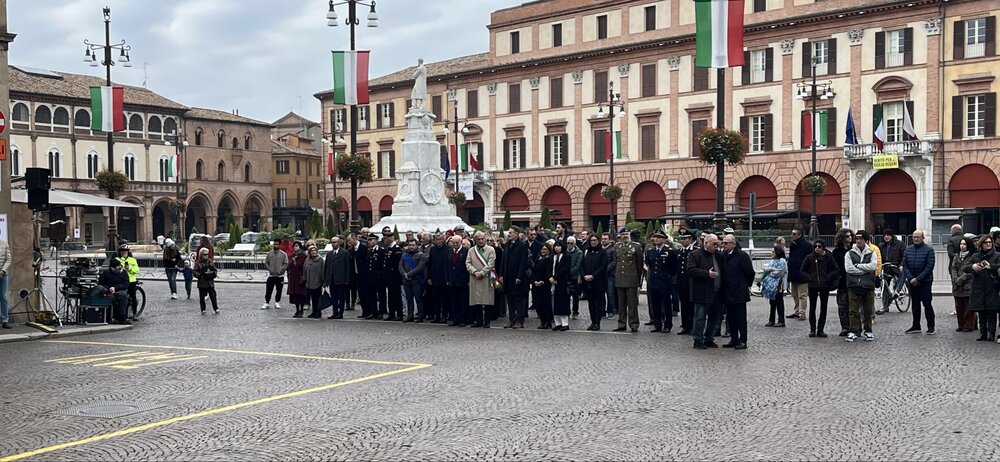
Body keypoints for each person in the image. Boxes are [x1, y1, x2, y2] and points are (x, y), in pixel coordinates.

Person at [687, 234, 723, 349]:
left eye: (717, 244)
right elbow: (690, 270)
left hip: (716, 292)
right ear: (706, 243)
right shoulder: (695, 254)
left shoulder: (718, 255)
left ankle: (709, 338)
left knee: (714, 317)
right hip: (702, 292)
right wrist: (706, 273)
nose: (716, 246)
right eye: (714, 244)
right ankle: (698, 339)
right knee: (700, 317)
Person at [800, 239, 841, 338]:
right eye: (815, 246)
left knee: (823, 308)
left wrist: (828, 277)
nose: (817, 248)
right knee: (812, 307)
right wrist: (809, 278)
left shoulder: (828, 257)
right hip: (813, 285)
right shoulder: (809, 258)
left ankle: (820, 329)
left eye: (819, 246)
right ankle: (812, 329)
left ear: (823, 248)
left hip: (824, 286)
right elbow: (802, 270)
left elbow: (836, 269)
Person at [964, 234, 1000, 342]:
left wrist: (990, 266)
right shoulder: (975, 256)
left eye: (989, 242)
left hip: (992, 286)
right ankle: (982, 333)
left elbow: (999, 266)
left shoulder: (997, 255)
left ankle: (991, 333)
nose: (988, 244)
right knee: (981, 311)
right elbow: (965, 268)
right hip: (979, 287)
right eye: (985, 242)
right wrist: (973, 266)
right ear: (981, 244)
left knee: (991, 311)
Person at [721, 234, 754, 349]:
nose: (723, 245)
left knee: (740, 317)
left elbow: (750, 272)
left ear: (733, 244)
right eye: (723, 243)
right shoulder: (723, 255)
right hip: (727, 291)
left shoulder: (742, 255)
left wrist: (745, 285)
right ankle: (733, 338)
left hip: (739, 291)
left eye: (726, 243)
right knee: (730, 317)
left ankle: (743, 340)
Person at [844, 230, 878, 342]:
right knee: (853, 310)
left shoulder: (872, 253)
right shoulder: (849, 253)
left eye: (861, 238)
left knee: (868, 310)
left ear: (866, 240)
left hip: (868, 284)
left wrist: (858, 266)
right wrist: (864, 271)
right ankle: (853, 330)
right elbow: (849, 269)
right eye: (857, 238)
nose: (858, 241)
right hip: (853, 284)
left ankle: (868, 330)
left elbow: (873, 266)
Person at [900, 229, 935, 334]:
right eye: (914, 237)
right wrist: (911, 278)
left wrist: (918, 278)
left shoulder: (929, 250)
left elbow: (929, 267)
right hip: (912, 282)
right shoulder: (908, 250)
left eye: (918, 237)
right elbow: (905, 265)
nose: (915, 239)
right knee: (915, 304)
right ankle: (916, 326)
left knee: (927, 304)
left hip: (925, 282)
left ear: (923, 238)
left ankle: (931, 327)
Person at [612, 227, 644, 333]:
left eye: (626, 234)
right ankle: (621, 323)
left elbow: (639, 265)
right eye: (623, 234)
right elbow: (615, 262)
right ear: (620, 236)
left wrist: (638, 279)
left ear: (629, 235)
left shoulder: (636, 246)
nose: (625, 236)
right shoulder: (617, 246)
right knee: (621, 304)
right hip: (620, 279)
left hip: (631, 279)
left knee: (632, 304)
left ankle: (633, 324)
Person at [499, 226, 531, 329]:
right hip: (507, 277)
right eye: (508, 232)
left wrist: (519, 276)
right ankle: (511, 320)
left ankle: (520, 321)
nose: (508, 234)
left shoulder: (522, 246)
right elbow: (503, 261)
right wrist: (501, 275)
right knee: (510, 300)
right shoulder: (507, 245)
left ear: (516, 234)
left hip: (517, 277)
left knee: (519, 300)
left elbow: (523, 263)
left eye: (510, 233)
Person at [644, 231, 673, 333]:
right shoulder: (650, 251)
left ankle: (668, 324)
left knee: (666, 304)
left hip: (665, 281)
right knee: (655, 304)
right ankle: (657, 324)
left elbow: (673, 267)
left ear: (664, 239)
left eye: (659, 237)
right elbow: (649, 265)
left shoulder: (669, 251)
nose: (656, 239)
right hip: (654, 281)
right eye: (655, 237)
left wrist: (668, 277)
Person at [465, 231, 495, 328]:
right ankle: (478, 320)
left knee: (487, 300)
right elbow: (468, 263)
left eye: (482, 239)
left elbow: (491, 264)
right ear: (475, 240)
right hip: (474, 278)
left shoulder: (491, 249)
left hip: (486, 277)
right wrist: (474, 272)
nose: (481, 241)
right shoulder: (471, 250)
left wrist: (482, 273)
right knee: (476, 300)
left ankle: (487, 321)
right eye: (478, 239)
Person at [582, 234, 609, 331]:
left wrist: (593, 276)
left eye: (595, 240)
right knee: (591, 303)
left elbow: (603, 266)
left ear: (598, 241)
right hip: (587, 281)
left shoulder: (602, 252)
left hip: (598, 281)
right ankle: (593, 321)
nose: (593, 242)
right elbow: (582, 265)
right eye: (591, 240)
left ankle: (597, 322)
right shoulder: (587, 251)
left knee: (598, 303)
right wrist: (584, 275)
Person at [950, 236, 977, 333]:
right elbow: (953, 268)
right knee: (959, 306)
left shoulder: (972, 256)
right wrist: (955, 279)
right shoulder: (957, 256)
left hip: (968, 284)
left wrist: (961, 279)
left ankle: (968, 325)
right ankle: (960, 324)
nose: (962, 246)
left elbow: (971, 271)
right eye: (961, 244)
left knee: (968, 306)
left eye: (964, 244)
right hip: (957, 285)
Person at [400, 238, 428, 323]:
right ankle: (410, 316)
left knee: (418, 299)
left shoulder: (421, 255)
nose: (411, 247)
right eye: (410, 245)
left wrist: (408, 274)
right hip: (406, 280)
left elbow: (419, 267)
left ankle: (420, 316)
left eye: (413, 245)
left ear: (416, 245)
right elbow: (400, 266)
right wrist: (404, 274)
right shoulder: (404, 255)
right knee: (409, 299)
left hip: (417, 280)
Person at [323, 236, 352, 320]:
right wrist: (325, 280)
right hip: (332, 280)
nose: (333, 244)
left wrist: (347, 280)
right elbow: (326, 268)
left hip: (341, 279)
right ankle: (335, 312)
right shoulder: (329, 254)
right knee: (333, 297)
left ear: (339, 243)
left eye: (335, 242)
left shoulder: (345, 253)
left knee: (341, 297)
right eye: (332, 242)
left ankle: (340, 312)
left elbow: (348, 267)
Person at [831, 228, 853, 336]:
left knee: (853, 306)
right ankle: (845, 327)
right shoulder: (836, 252)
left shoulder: (853, 250)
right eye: (847, 236)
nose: (850, 238)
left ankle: (854, 327)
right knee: (842, 306)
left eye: (850, 236)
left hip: (853, 281)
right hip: (842, 282)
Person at [675, 230, 697, 335]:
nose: (682, 241)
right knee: (683, 305)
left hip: (692, 283)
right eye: (681, 239)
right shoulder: (679, 252)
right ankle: (685, 326)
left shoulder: (695, 251)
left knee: (692, 305)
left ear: (690, 239)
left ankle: (692, 326)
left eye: (685, 238)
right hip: (682, 282)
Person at [786, 228, 810, 320]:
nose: (792, 235)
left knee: (802, 295)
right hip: (793, 273)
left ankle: (802, 313)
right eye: (792, 233)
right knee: (795, 294)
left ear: (800, 235)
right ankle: (797, 311)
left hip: (802, 274)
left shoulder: (807, 245)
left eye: (794, 234)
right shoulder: (793, 244)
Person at [425, 233, 449, 324]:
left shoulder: (448, 249)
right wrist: (429, 277)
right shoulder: (433, 249)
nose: (438, 241)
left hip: (444, 278)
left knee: (445, 299)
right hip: (435, 277)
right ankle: (437, 316)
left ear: (444, 239)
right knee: (436, 299)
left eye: (440, 239)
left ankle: (444, 316)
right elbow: (430, 264)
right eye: (437, 239)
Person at [445, 235, 470, 327]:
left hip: (462, 280)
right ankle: (455, 319)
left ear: (461, 242)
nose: (455, 244)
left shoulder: (466, 251)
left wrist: (468, 280)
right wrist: (447, 279)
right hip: (452, 280)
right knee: (454, 301)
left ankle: (463, 320)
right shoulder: (449, 252)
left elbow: (467, 267)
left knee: (463, 301)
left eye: (457, 243)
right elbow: (447, 266)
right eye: (453, 243)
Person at [98, 259, 132, 324]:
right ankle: (109, 317)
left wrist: (115, 288)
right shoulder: (106, 273)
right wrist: (109, 289)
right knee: (110, 298)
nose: (119, 267)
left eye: (119, 266)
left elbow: (126, 284)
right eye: (117, 266)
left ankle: (122, 318)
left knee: (123, 296)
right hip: (109, 291)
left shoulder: (124, 272)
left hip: (120, 290)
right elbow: (101, 284)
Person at [381, 226, 404, 321]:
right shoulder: (389, 248)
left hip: (395, 277)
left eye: (385, 238)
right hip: (389, 277)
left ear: (390, 238)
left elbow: (397, 264)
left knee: (396, 296)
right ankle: (391, 313)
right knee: (390, 296)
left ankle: (399, 313)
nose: (384, 240)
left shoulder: (396, 249)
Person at [762, 246, 787, 327]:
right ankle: (771, 320)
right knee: (772, 302)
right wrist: (771, 270)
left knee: (779, 302)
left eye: (773, 252)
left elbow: (779, 273)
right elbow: (766, 269)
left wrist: (770, 270)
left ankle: (781, 320)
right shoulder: (773, 260)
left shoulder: (782, 261)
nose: (772, 253)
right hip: (771, 285)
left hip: (779, 284)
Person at [549, 241, 572, 331]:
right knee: (554, 303)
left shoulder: (566, 256)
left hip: (562, 282)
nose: (556, 248)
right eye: (555, 246)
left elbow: (565, 269)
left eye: (558, 246)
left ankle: (565, 323)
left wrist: (555, 277)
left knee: (563, 303)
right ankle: (557, 323)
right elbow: (549, 268)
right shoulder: (552, 257)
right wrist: (550, 277)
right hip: (552, 282)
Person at [532, 243, 554, 330]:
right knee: (538, 304)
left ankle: (547, 321)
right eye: (542, 249)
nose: (543, 251)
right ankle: (542, 321)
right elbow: (534, 271)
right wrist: (534, 281)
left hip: (545, 284)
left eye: (545, 249)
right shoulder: (538, 258)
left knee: (545, 304)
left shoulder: (550, 259)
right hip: (536, 284)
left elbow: (548, 271)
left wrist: (543, 281)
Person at [114, 243, 140, 319]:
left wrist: (130, 269)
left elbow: (137, 270)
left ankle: (134, 313)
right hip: (121, 280)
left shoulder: (132, 260)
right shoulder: (117, 259)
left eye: (125, 251)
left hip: (131, 280)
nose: (123, 252)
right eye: (122, 251)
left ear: (128, 252)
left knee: (133, 297)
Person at [262, 237, 288, 310]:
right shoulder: (269, 254)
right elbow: (266, 263)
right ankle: (267, 302)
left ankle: (277, 302)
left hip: (280, 276)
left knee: (279, 290)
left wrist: (281, 269)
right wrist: (270, 269)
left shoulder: (283, 254)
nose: (275, 245)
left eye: (277, 244)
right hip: (271, 275)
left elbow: (286, 263)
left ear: (279, 245)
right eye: (274, 244)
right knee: (269, 290)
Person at [193, 247, 219, 315]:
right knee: (202, 297)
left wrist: (213, 275)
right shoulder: (198, 263)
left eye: (207, 254)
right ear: (201, 255)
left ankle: (216, 308)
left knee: (213, 296)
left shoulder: (210, 262)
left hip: (210, 283)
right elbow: (194, 272)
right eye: (205, 254)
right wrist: (200, 275)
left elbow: (215, 270)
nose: (206, 255)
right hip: (202, 283)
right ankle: (203, 309)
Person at [302, 245, 325, 319]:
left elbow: (323, 270)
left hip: (317, 281)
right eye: (312, 251)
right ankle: (314, 311)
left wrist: (323, 280)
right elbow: (304, 269)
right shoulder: (307, 259)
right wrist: (305, 279)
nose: (313, 252)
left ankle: (318, 312)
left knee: (317, 298)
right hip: (309, 281)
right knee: (313, 298)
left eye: (315, 250)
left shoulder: (320, 259)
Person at [287, 242, 309, 318]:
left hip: (300, 278)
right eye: (294, 246)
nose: (295, 248)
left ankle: (301, 310)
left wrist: (296, 263)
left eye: (297, 246)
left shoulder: (303, 256)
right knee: (295, 295)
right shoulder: (292, 256)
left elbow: (304, 266)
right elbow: (289, 266)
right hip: (293, 278)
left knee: (301, 295)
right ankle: (297, 310)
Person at [565, 236, 583, 319]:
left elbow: (578, 265)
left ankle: (575, 311)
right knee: (566, 295)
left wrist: (570, 272)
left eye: (571, 243)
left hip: (574, 277)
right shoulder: (564, 251)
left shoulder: (579, 252)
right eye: (568, 243)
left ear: (574, 244)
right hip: (565, 276)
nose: (569, 245)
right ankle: (567, 311)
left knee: (575, 296)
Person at [601, 232, 617, 319]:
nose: (603, 240)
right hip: (600, 275)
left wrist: (605, 270)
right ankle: (602, 311)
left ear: (610, 240)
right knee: (601, 294)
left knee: (610, 294)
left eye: (605, 239)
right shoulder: (600, 248)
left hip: (610, 274)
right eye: (602, 239)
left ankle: (611, 311)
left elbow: (614, 262)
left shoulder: (613, 249)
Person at [0, 230, 11, 329]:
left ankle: (5, 320)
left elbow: (8, 259)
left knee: (3, 297)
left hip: (3, 275)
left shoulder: (4, 244)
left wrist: (2, 271)